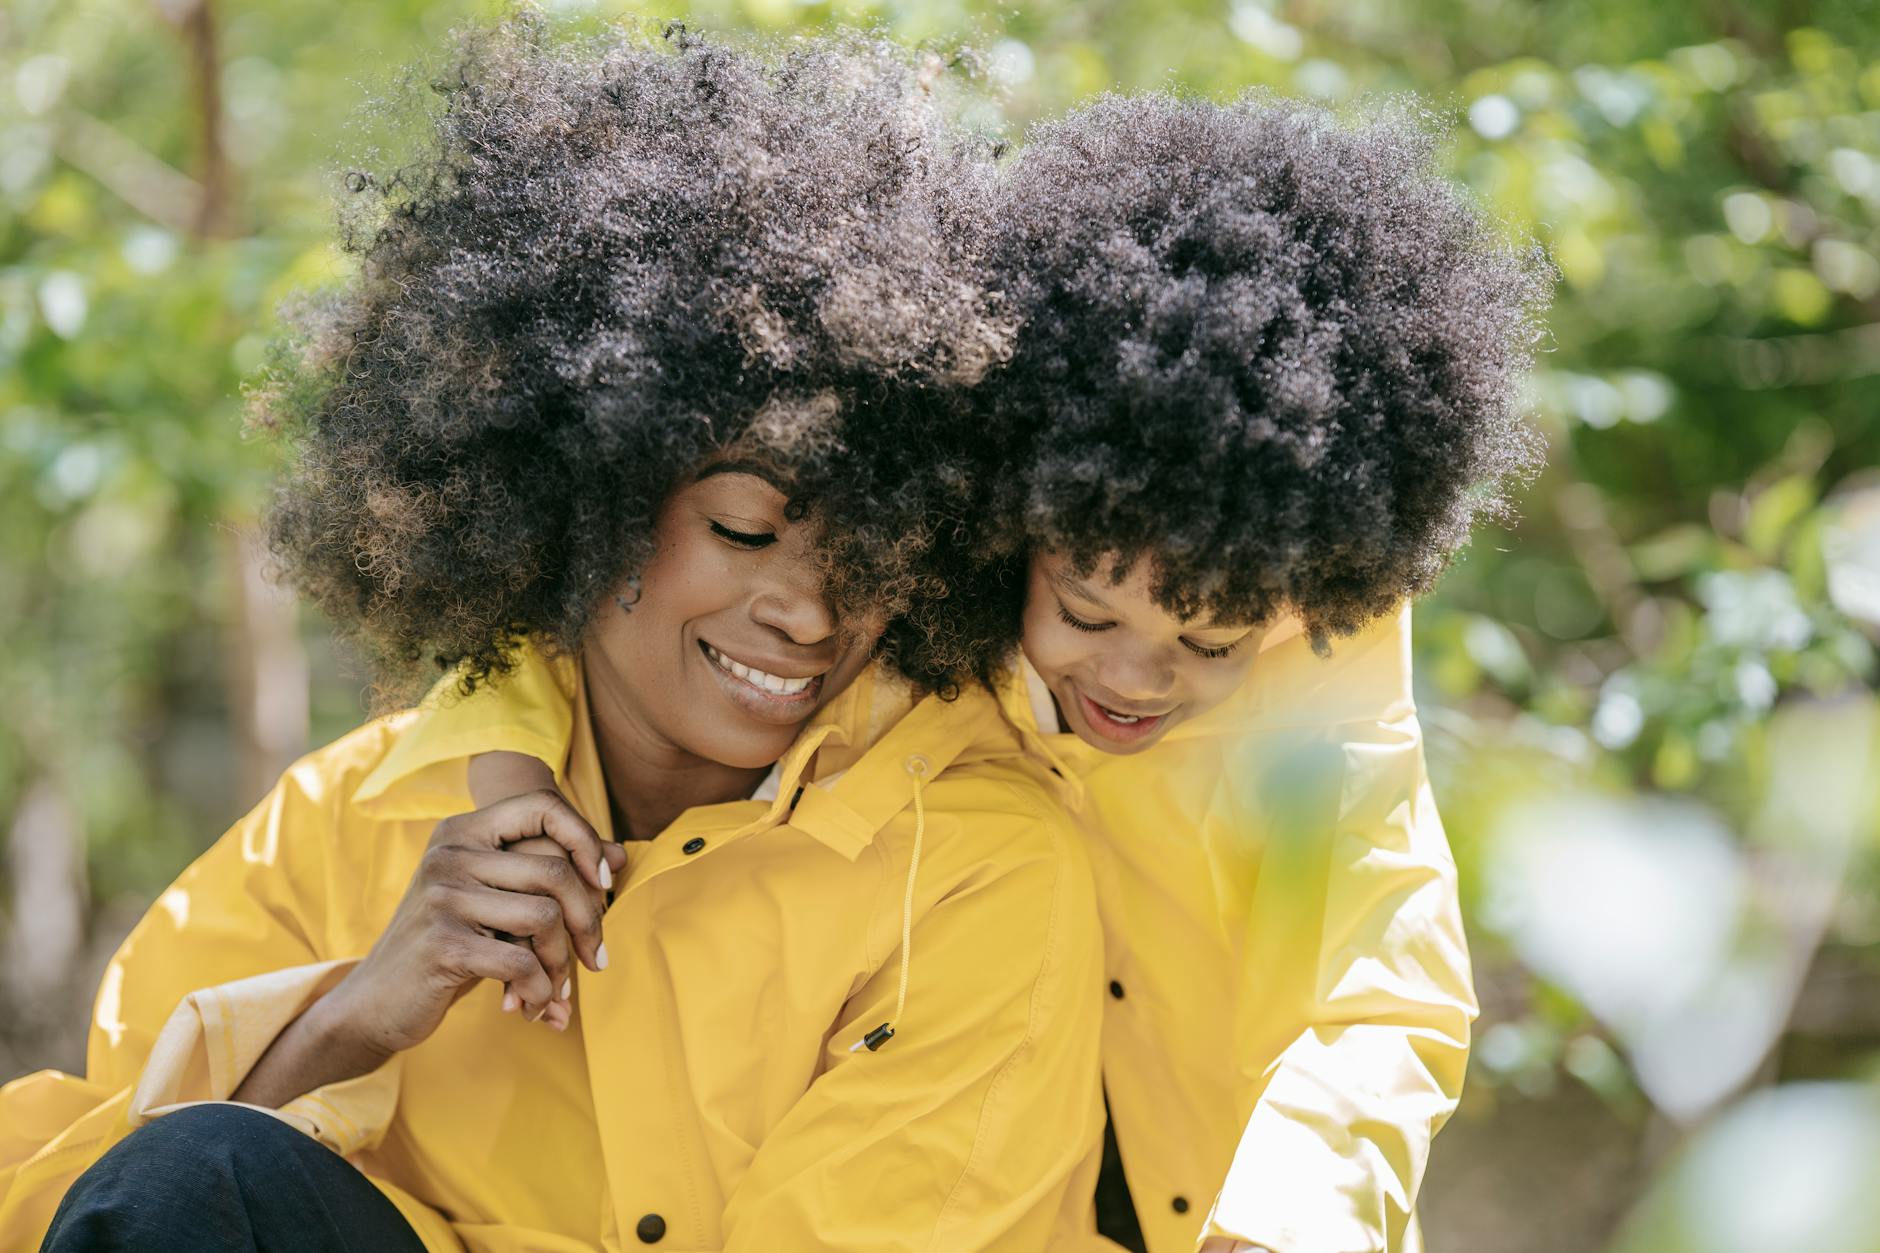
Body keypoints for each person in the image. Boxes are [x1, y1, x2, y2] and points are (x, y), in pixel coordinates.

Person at [0, 22, 1108, 1251]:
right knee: (194, 1166)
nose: (808, 610)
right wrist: (355, 1018)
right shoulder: (342, 822)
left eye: (869, 553)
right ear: (583, 493)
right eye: (744, 529)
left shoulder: (974, 865)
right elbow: (87, 1205)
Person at [456, 91, 1553, 1253]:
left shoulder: (1324, 647)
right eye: (1085, 608)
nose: (1135, 677)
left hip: (1218, 1191)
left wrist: (1300, 1214)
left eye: (1210, 643)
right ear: (1017, 513)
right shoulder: (912, 571)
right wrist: (504, 758)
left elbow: (1388, 966)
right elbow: (565, 610)